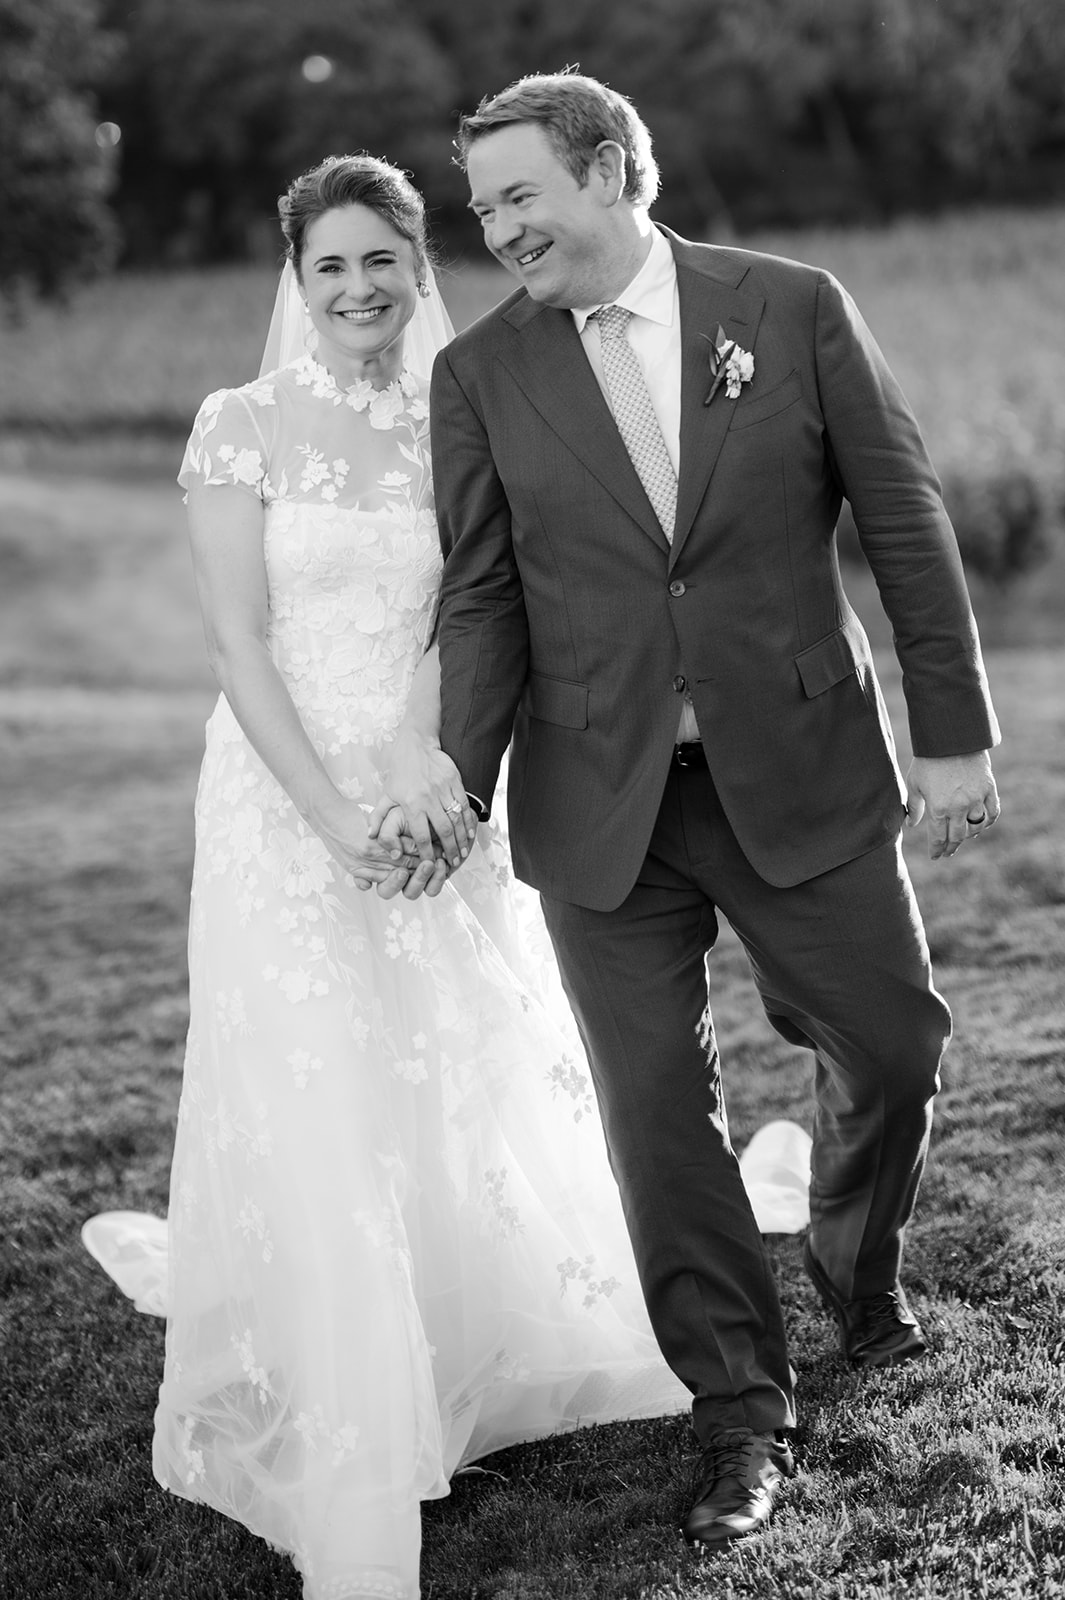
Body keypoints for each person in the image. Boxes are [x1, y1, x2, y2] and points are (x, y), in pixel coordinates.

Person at [410, 71, 1001, 1548]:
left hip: (797, 766)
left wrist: (949, 733)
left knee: (890, 1041)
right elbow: (482, 592)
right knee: (659, 1118)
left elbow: (901, 512)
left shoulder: (787, 306)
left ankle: (857, 1281)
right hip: (596, 792)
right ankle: (739, 1407)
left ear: (610, 171)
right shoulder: (480, 375)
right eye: (482, 209)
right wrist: (456, 773)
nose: (496, 231)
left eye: (519, 197)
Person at [150, 152, 686, 1600]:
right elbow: (240, 648)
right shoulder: (241, 426)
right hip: (281, 798)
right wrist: (329, 810)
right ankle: (353, 1405)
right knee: (320, 1075)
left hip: (435, 783)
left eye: (380, 258)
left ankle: (458, 1344)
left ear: (417, 261)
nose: (358, 289)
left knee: (450, 1058)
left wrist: (426, 772)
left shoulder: (464, 411)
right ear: (294, 280)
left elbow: (473, 603)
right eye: (328, 267)